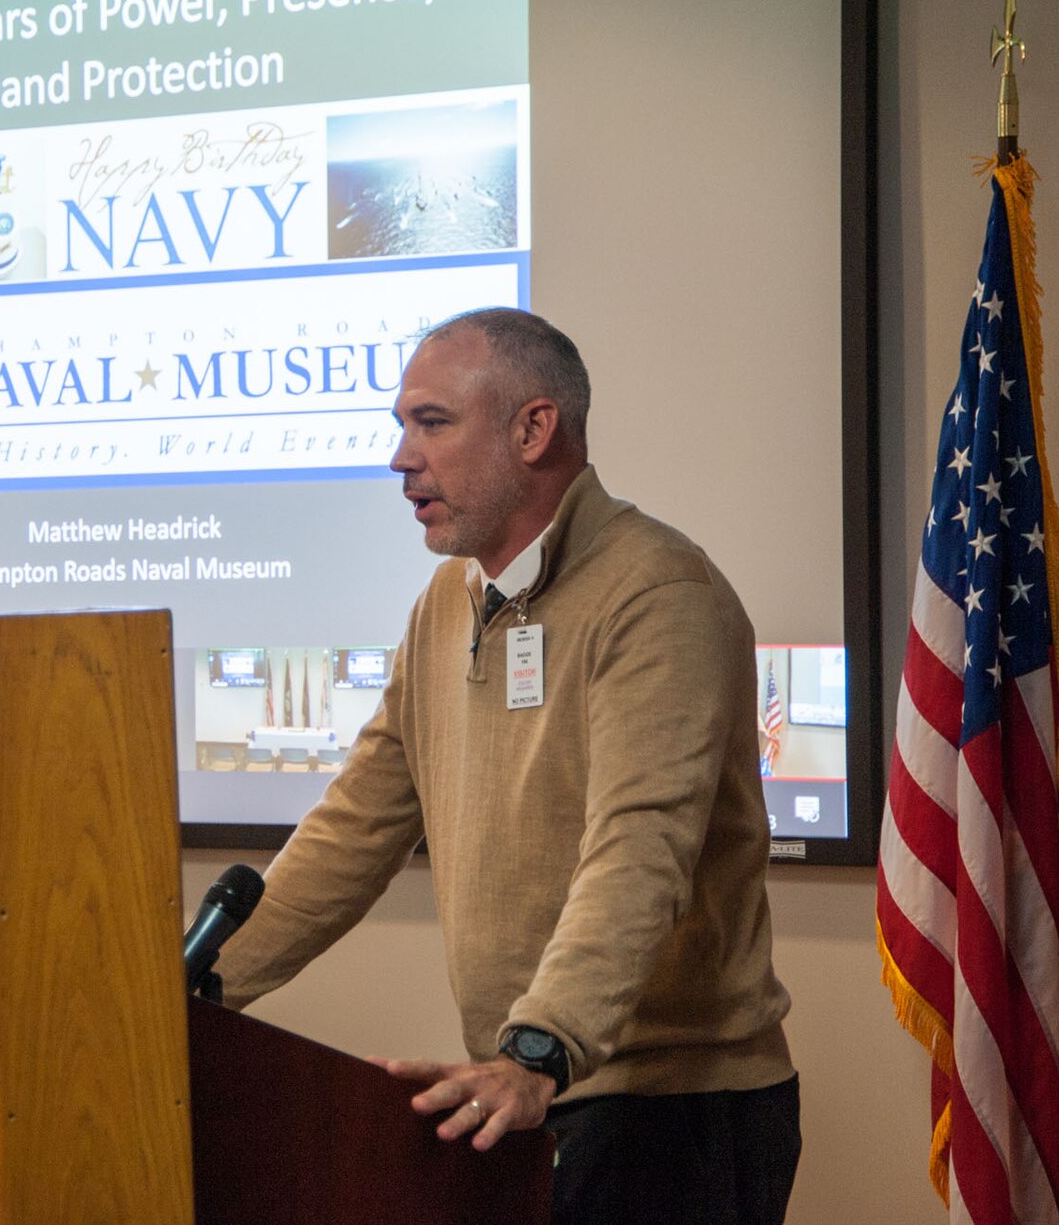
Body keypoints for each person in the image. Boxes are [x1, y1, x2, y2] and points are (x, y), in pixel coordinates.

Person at [215, 307, 799, 1225]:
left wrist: (538, 1050)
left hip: (668, 1111)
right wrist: (198, 983)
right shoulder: (447, 601)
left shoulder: (658, 596)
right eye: (401, 425)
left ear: (534, 429)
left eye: (432, 423)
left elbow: (639, 849)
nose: (402, 458)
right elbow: (354, 827)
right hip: (536, 1092)